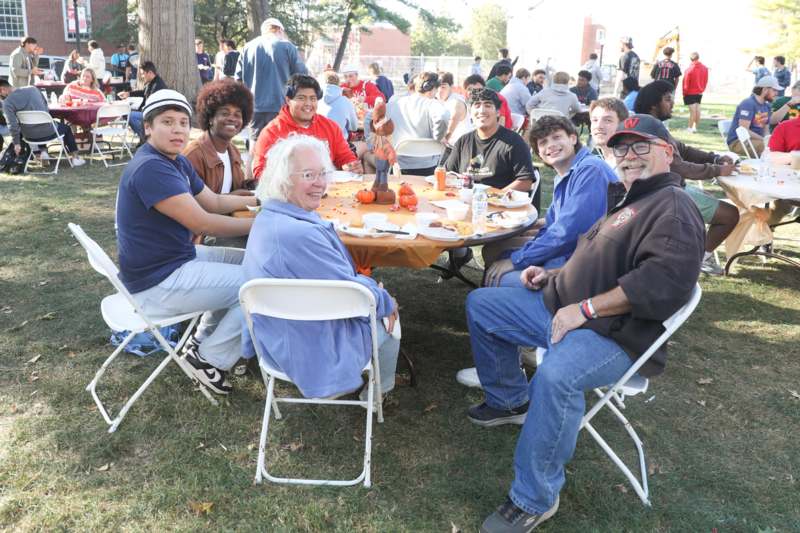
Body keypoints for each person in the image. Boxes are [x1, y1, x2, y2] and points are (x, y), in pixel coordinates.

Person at [468, 114, 704, 533]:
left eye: (640, 146)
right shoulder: (629, 196)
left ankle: (533, 498)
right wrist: (552, 276)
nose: (629, 156)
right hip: (561, 306)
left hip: (613, 333)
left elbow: (660, 284)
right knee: (483, 304)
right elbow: (594, 260)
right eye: (621, 148)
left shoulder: (673, 207)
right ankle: (508, 401)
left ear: (667, 151)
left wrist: (586, 309)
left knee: (555, 376)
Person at [116, 90, 257, 395]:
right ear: (148, 127)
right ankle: (209, 358)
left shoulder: (174, 161)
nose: (178, 129)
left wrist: (266, 201)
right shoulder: (151, 168)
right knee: (257, 285)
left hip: (176, 259)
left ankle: (200, 342)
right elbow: (202, 222)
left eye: (182, 122)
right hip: (157, 282)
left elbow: (215, 202)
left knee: (255, 262)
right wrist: (266, 224)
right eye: (167, 122)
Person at [242, 134, 400, 400]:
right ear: (284, 179)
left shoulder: (269, 216)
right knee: (391, 323)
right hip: (310, 348)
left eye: (322, 173)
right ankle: (377, 394)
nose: (319, 183)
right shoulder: (299, 234)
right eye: (307, 175)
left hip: (277, 335)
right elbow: (352, 292)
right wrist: (385, 299)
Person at [481, 114, 617, 286]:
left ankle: (499, 301)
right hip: (570, 249)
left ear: (573, 138)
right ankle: (496, 300)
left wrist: (517, 260)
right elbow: (552, 225)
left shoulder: (590, 170)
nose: (551, 145)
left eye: (557, 137)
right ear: (539, 154)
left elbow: (566, 232)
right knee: (493, 249)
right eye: (543, 142)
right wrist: (528, 242)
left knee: (502, 276)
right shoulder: (565, 174)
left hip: (583, 262)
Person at [635, 80, 739, 275]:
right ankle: (698, 259)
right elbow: (678, 166)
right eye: (667, 99)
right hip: (664, 193)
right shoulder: (648, 128)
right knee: (730, 215)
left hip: (672, 188)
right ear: (653, 104)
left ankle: (693, 253)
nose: (672, 103)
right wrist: (717, 169)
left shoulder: (654, 124)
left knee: (713, 200)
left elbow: (682, 149)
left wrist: (713, 157)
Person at [252, 74, 363, 179]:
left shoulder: (330, 127)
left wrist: (351, 165)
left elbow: (345, 157)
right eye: (301, 98)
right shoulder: (271, 132)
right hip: (288, 195)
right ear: (288, 100)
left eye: (313, 98)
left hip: (328, 191)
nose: (308, 104)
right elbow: (260, 172)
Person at [444, 88, 538, 193]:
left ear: (498, 112)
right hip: (465, 201)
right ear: (470, 112)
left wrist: (493, 197)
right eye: (477, 105)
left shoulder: (514, 142)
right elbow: (448, 174)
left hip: (499, 204)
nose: (482, 110)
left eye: (488, 105)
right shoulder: (463, 141)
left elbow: (525, 181)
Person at [236, 17, 307, 141]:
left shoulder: (247, 47)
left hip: (254, 106)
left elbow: (238, 79)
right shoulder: (287, 46)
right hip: (280, 105)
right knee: (280, 145)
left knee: (256, 145)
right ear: (279, 29)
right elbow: (302, 76)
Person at [183, 79, 254, 196]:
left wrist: (251, 185)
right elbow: (193, 203)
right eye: (225, 113)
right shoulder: (193, 156)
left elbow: (233, 186)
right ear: (210, 118)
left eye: (237, 115)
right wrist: (234, 197)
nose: (232, 119)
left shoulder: (234, 152)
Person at [0, 80, 86, 167]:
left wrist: (16, 143)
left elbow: (12, 124)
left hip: (29, 135)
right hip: (48, 131)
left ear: (2, 89)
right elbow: (45, 107)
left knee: (36, 126)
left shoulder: (7, 103)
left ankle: (43, 152)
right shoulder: (33, 89)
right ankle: (75, 158)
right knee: (66, 128)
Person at [386, 71, 449, 175]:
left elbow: (369, 117)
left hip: (398, 166)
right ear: (432, 89)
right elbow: (443, 116)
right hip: (428, 167)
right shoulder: (432, 104)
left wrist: (372, 144)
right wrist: (438, 136)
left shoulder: (395, 103)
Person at [727, 75, 792, 156]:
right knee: (771, 147)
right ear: (765, 89)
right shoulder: (748, 103)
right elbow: (744, 129)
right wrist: (765, 140)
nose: (776, 93)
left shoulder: (767, 106)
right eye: (774, 90)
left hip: (757, 141)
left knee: (779, 145)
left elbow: (766, 129)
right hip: (738, 141)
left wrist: (769, 139)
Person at [118, 61, 168, 142]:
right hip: (148, 112)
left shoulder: (157, 85)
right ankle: (145, 138)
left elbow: (153, 105)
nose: (141, 76)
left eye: (143, 73)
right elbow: (143, 92)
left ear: (150, 72)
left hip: (154, 114)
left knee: (129, 115)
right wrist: (128, 94)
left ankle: (147, 139)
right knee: (126, 113)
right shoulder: (151, 82)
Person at [318, 71, 359, 142]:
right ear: (338, 84)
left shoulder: (314, 100)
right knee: (365, 145)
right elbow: (354, 127)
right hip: (339, 146)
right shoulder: (346, 101)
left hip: (318, 145)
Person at [589, 96, 629, 166]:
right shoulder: (592, 161)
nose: (599, 126)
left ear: (622, 124)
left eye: (607, 120)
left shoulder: (630, 164)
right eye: (595, 120)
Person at [437, 72, 468, 146]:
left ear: (451, 87)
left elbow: (448, 134)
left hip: (464, 148)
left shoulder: (456, 103)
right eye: (437, 87)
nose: (439, 90)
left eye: (443, 87)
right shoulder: (439, 101)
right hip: (452, 147)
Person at [682, 52, 708, 133]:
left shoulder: (689, 69)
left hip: (690, 92)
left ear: (690, 59)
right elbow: (706, 80)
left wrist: (684, 92)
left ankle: (689, 128)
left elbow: (686, 82)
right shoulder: (705, 68)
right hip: (699, 92)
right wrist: (702, 88)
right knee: (697, 110)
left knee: (693, 111)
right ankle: (695, 127)